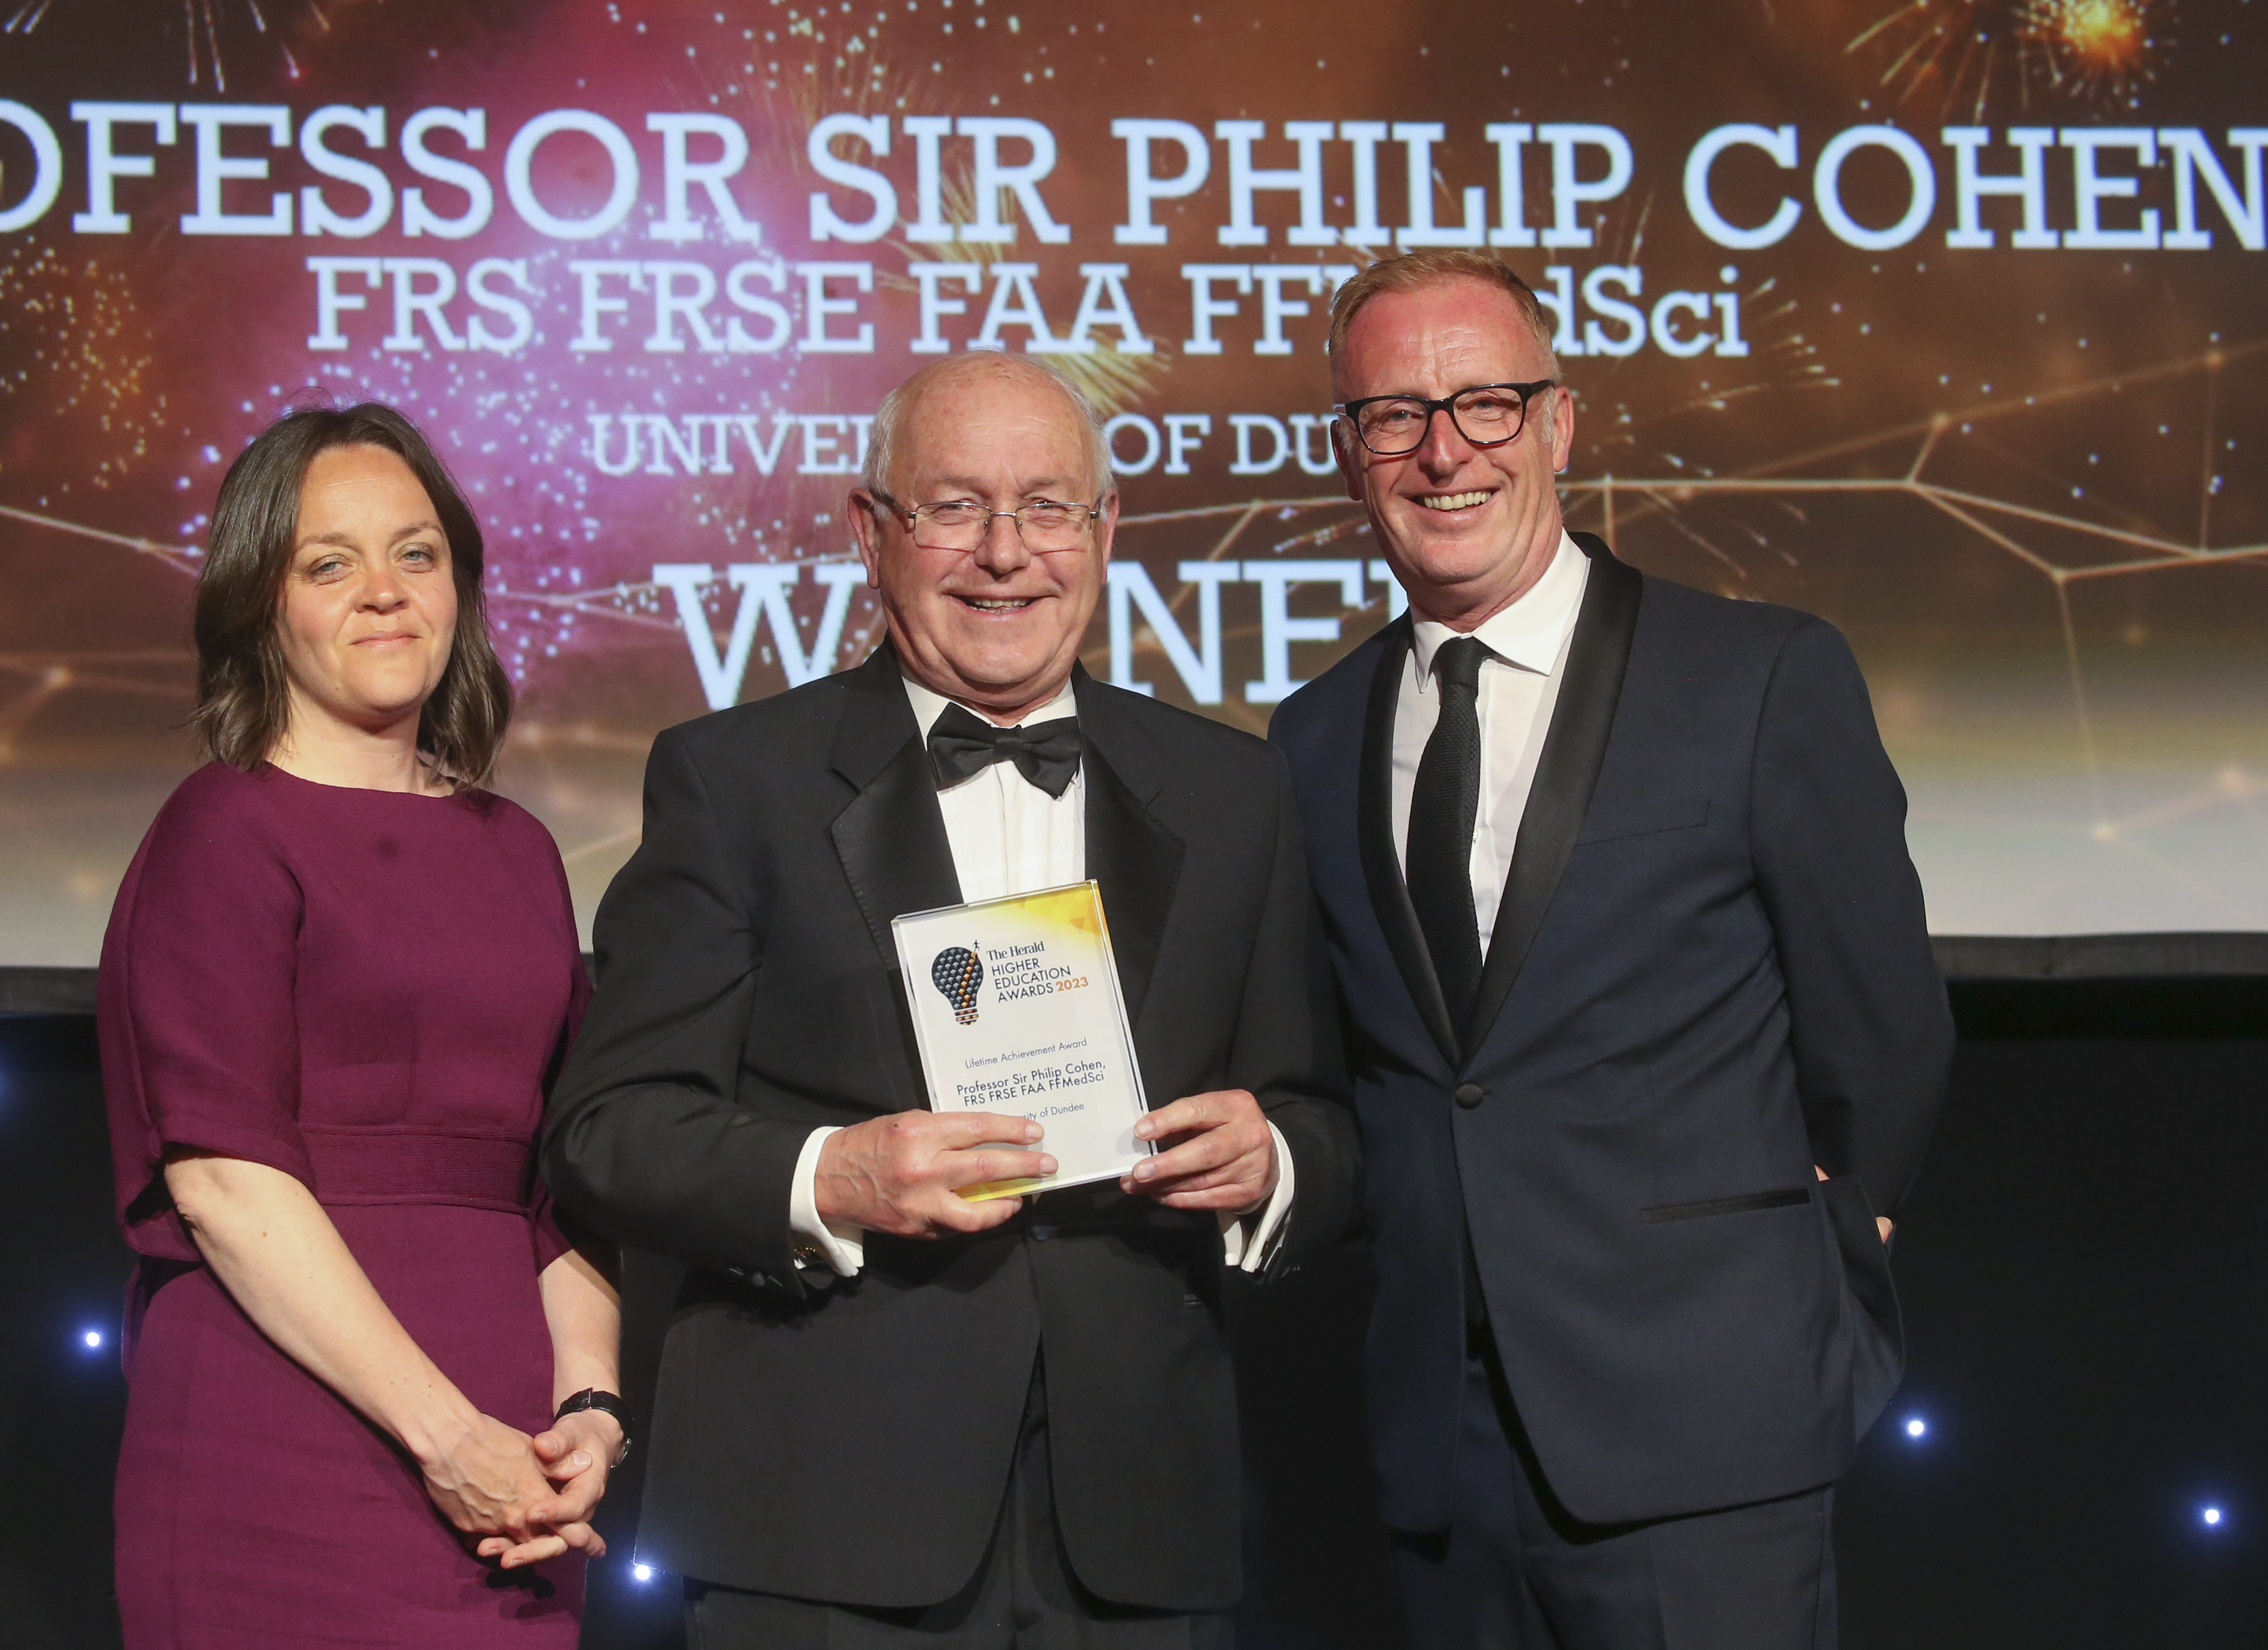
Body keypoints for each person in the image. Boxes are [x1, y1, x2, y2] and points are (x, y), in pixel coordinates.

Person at [545, 353, 1359, 1648]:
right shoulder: (732, 781)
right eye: (953, 508)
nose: (1004, 553)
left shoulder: (1232, 792)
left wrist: (1275, 1161)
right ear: (871, 532)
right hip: (820, 1511)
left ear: (1104, 532)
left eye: (1047, 507)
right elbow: (611, 1128)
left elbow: (1321, 1111)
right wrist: (833, 1176)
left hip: (1138, 1516)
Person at [1268, 251, 1955, 1648]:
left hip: (1710, 1435)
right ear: (1345, 455)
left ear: (1561, 423)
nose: (1441, 448)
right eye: (1391, 414)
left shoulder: (1757, 676)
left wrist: (1833, 1253)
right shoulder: (1310, 733)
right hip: (1439, 1461)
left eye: (1486, 402)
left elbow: (1883, 1032)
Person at [97, 402, 627, 1648]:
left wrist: (591, 1410)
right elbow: (225, 1181)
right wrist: (447, 1439)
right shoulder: (220, 830)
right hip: (283, 1434)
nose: (384, 594)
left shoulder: (521, 853)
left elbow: (561, 1181)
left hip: (518, 1465)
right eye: (328, 563)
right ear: (260, 604)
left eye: (417, 553)